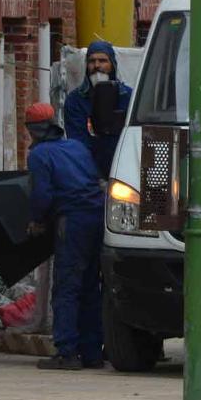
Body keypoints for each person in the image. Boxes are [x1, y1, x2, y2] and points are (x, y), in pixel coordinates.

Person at [24, 101, 105, 370]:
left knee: (67, 287)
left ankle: (66, 352)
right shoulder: (77, 147)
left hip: (72, 222)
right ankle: (92, 352)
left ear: (32, 130)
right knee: (90, 286)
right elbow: (94, 179)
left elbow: (42, 195)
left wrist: (37, 221)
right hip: (96, 218)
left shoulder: (39, 155)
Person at [63, 40, 133, 179]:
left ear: (112, 64)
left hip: (124, 168)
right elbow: (78, 142)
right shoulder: (75, 100)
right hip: (90, 173)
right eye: (92, 61)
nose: (97, 66)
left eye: (102, 61)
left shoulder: (128, 96)